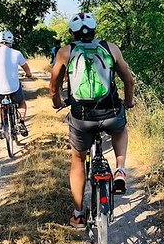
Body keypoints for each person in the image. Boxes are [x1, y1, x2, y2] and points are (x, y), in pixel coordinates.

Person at [49, 13, 135, 229]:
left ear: (71, 33)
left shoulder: (65, 52)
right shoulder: (111, 48)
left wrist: (57, 101)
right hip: (111, 112)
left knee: (78, 160)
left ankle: (78, 215)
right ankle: (121, 169)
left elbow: (54, 84)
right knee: (120, 130)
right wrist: (129, 102)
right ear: (95, 31)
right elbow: (128, 79)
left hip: (82, 118)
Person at [0, 30, 33, 137]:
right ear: (11, 41)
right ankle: (21, 122)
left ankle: (0, 124)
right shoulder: (17, 53)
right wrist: (28, 74)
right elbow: (25, 67)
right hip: (14, 87)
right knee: (21, 103)